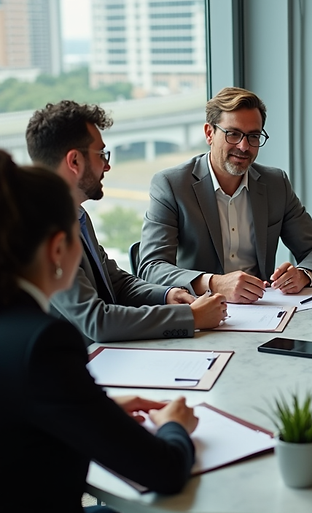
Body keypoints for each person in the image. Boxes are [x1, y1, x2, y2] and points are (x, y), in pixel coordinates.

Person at [0, 149, 199, 513]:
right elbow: (164, 470)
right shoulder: (41, 343)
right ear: (57, 249)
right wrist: (175, 426)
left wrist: (99, 410)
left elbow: (10, 414)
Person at [26, 100, 226, 342]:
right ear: (74, 161)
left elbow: (116, 283)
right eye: (101, 155)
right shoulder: (40, 229)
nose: (107, 166)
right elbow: (97, 321)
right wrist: (191, 317)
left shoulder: (76, 216)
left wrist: (167, 295)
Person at [139, 86, 312, 303]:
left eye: (253, 136)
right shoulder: (172, 185)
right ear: (209, 133)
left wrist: (303, 274)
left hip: (264, 309)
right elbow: (151, 267)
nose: (244, 146)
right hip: (201, 310)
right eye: (233, 134)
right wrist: (213, 283)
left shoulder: (275, 183)